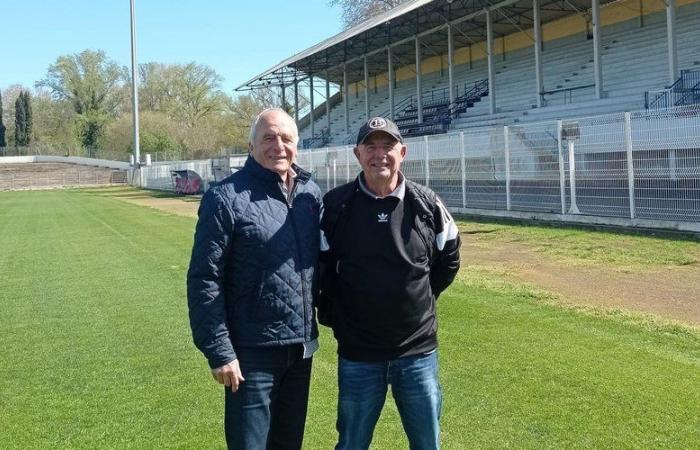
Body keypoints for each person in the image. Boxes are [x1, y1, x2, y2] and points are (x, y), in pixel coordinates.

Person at [318, 117, 461, 450]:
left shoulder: (426, 203)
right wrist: (339, 313)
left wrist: (422, 295)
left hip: (417, 353)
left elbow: (449, 257)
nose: (379, 154)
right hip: (359, 354)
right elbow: (319, 270)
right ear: (357, 154)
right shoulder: (335, 206)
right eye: (371, 146)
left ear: (403, 152)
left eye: (388, 146)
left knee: (427, 443)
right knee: (352, 443)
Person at [186, 108, 321, 450]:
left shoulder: (310, 195)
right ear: (251, 145)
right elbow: (205, 278)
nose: (278, 146)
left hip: (300, 349)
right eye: (269, 138)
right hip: (251, 354)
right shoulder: (225, 198)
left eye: (286, 138)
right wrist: (219, 351)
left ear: (297, 145)